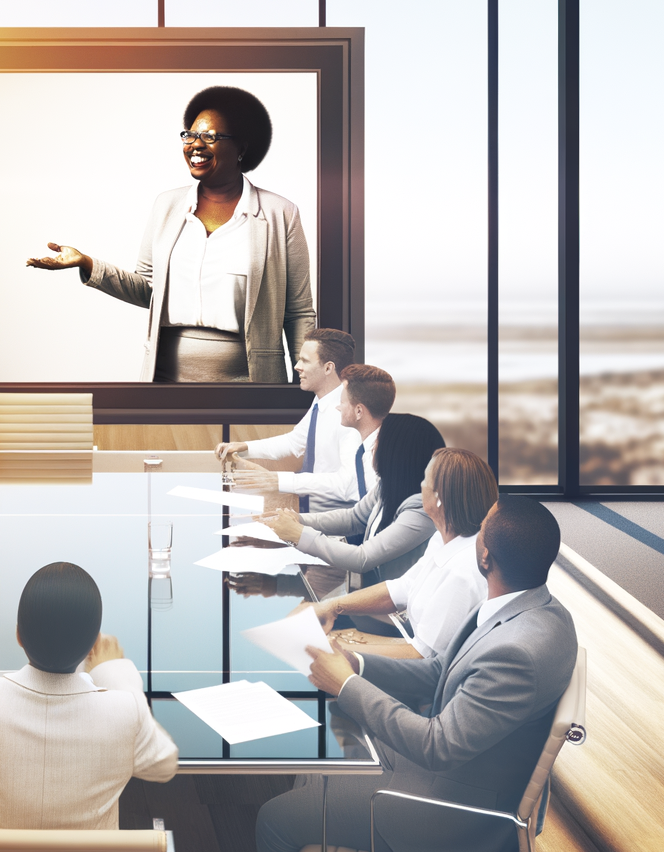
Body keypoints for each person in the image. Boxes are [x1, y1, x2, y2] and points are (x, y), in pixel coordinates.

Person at [198, 496, 577, 852]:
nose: (475, 530)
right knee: (316, 763)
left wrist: (347, 686)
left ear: (485, 556)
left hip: (448, 816)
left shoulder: (517, 653)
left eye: (483, 528)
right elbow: (441, 672)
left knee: (273, 819)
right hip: (457, 776)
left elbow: (440, 746)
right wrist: (354, 663)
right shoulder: (533, 613)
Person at [26, 85, 315, 383]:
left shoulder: (280, 213)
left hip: (250, 383)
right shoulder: (167, 206)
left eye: (210, 136)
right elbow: (148, 290)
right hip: (166, 381)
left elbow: (298, 312)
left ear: (241, 147)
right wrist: (86, 263)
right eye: (189, 135)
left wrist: (308, 386)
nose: (195, 144)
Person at [0, 563, 178, 830]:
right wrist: (113, 670)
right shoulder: (124, 714)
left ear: (18, 636)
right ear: (93, 645)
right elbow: (164, 764)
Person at [309, 447, 498, 660]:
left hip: (425, 679)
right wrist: (332, 606)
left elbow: (422, 657)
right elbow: (404, 587)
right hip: (409, 644)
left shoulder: (461, 572)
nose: (420, 486)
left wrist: (340, 650)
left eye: (425, 479)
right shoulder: (443, 538)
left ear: (439, 498)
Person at [259, 413, 446, 604]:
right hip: (373, 595)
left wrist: (299, 534)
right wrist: (297, 519)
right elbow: (354, 518)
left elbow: (362, 558)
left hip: (395, 611)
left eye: (378, 442)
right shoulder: (388, 486)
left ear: (395, 452)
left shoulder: (420, 511)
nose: (372, 449)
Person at [214, 331, 363, 514]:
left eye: (305, 361)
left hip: (339, 524)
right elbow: (295, 442)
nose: (297, 366)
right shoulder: (322, 402)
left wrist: (277, 480)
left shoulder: (348, 413)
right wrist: (244, 446)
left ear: (328, 368)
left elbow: (348, 485)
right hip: (314, 517)